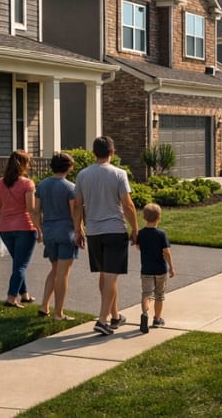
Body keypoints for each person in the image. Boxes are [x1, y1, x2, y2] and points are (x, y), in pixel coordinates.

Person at [74, 136, 139, 336]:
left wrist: (78, 229)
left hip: (93, 232)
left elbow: (77, 205)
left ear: (93, 153)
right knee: (111, 276)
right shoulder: (119, 174)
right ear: (112, 152)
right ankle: (102, 320)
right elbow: (127, 205)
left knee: (105, 275)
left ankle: (115, 316)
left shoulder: (82, 175)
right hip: (114, 230)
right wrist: (135, 228)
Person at [36, 152, 78, 321]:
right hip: (65, 232)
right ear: (69, 167)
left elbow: (35, 210)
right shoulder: (70, 187)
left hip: (49, 232)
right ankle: (58, 313)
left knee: (54, 270)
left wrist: (39, 228)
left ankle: (44, 305)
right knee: (63, 274)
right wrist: (79, 231)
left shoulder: (42, 185)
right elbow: (74, 213)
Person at [0, 149, 39, 308]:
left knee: (18, 263)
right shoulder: (27, 183)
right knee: (21, 265)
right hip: (25, 228)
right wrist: (39, 229)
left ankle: (24, 295)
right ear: (23, 164)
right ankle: (11, 298)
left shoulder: (0, 183)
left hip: (5, 228)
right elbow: (31, 209)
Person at [135, 203, 175, 334]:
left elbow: (139, 247)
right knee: (159, 295)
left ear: (143, 217)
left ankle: (145, 313)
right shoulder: (161, 234)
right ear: (159, 218)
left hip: (146, 269)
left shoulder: (140, 234)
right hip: (160, 270)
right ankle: (157, 319)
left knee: (146, 294)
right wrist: (171, 267)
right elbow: (166, 252)